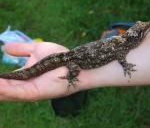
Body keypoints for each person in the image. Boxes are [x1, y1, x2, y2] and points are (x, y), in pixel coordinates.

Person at [0, 32, 150, 101]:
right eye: (142, 31)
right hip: (74, 59)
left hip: (74, 55)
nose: (144, 31)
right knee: (72, 69)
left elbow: (120, 55)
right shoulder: (122, 46)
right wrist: (126, 66)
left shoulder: (121, 43)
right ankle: (71, 77)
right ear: (134, 39)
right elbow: (120, 58)